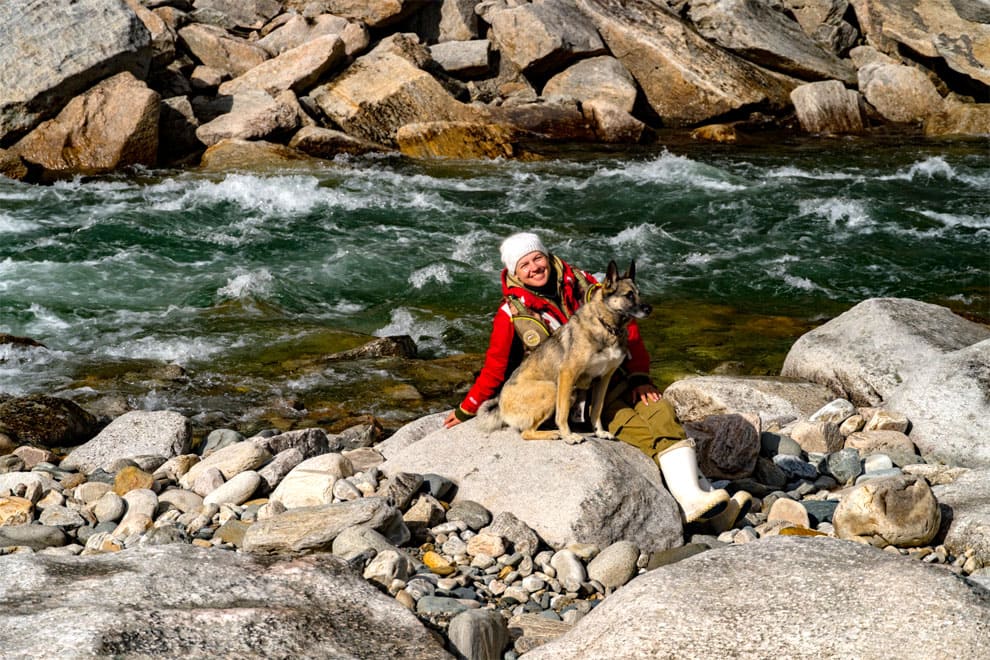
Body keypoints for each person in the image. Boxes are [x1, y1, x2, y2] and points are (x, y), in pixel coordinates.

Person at [444, 232, 750, 527]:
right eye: (524, 265)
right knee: (639, 431)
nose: (535, 267)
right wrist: (467, 409)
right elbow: (496, 367)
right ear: (515, 273)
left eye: (538, 258)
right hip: (577, 399)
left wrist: (641, 377)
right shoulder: (510, 313)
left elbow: (629, 330)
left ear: (548, 258)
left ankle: (698, 499)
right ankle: (696, 502)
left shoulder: (588, 284)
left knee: (661, 413)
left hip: (615, 377)